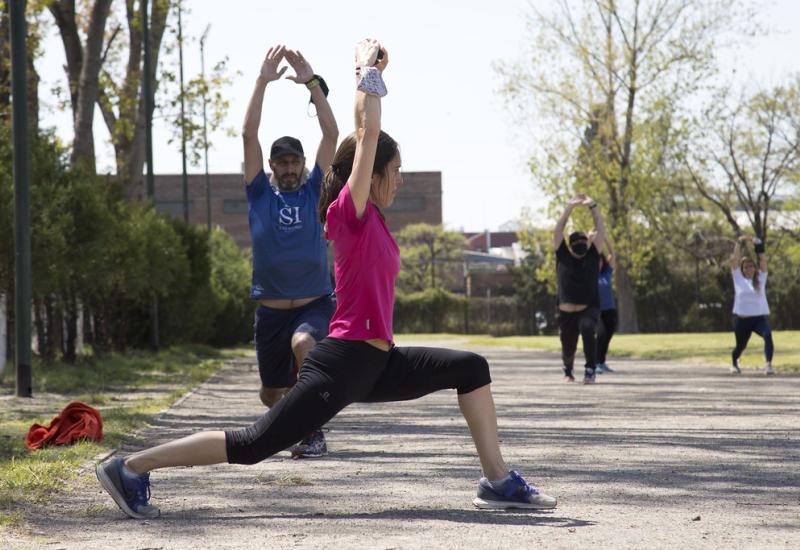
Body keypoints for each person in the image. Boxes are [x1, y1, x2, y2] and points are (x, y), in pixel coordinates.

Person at [95, 39, 557, 520]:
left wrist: (368, 81)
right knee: (255, 443)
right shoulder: (349, 214)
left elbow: (364, 132)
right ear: (370, 174)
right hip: (345, 361)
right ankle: (130, 467)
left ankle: (498, 480)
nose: (400, 179)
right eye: (395, 171)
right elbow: (366, 130)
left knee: (471, 367)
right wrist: (364, 71)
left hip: (379, 361)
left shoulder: (374, 218)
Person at [243, 45, 339, 457]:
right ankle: (298, 421)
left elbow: (332, 135)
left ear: (302, 164)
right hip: (270, 313)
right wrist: (262, 81)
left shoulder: (317, 189)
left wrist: (313, 86)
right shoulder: (259, 193)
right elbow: (248, 134)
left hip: (315, 303)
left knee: (305, 343)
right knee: (271, 394)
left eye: (293, 161)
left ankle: (312, 430)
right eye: (280, 162)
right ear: (271, 166)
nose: (287, 168)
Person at [553, 194, 607, 384]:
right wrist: (569, 207)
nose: (582, 244)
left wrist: (593, 206)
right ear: (569, 244)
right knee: (568, 346)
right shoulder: (562, 254)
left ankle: (590, 370)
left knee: (587, 328)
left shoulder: (592, 255)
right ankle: (568, 369)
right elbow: (558, 230)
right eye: (577, 242)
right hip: (566, 310)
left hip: (588, 307)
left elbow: (600, 231)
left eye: (584, 241)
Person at [730, 235, 774, 375]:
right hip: (743, 320)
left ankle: (768, 364)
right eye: (746, 266)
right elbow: (735, 260)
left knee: (767, 335)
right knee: (740, 346)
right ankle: (734, 362)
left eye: (751, 266)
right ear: (742, 269)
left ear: (755, 268)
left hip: (758, 319)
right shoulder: (738, 279)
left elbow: (762, 259)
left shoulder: (761, 278)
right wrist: (739, 242)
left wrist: (758, 244)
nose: (749, 268)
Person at [595, 238, 617, 374]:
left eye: (601, 261)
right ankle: (596, 363)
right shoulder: (589, 275)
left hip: (610, 310)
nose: (599, 263)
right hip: (596, 310)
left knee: (608, 336)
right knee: (601, 334)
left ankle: (602, 362)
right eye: (596, 261)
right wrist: (591, 240)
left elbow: (613, 255)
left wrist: (607, 240)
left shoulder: (607, 272)